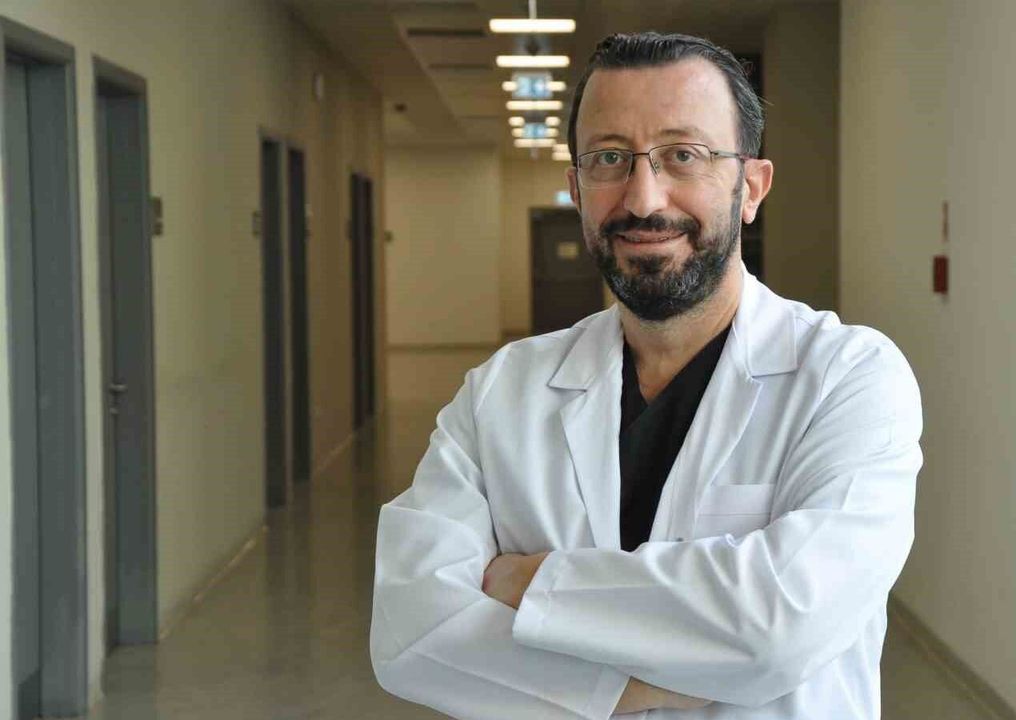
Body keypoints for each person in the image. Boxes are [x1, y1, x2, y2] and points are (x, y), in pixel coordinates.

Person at [371, 31, 922, 719]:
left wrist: (529, 582)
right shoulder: (502, 392)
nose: (643, 198)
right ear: (576, 188)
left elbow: (781, 624)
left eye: (683, 154)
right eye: (609, 158)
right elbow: (410, 630)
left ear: (751, 187)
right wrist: (634, 687)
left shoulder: (849, 378)